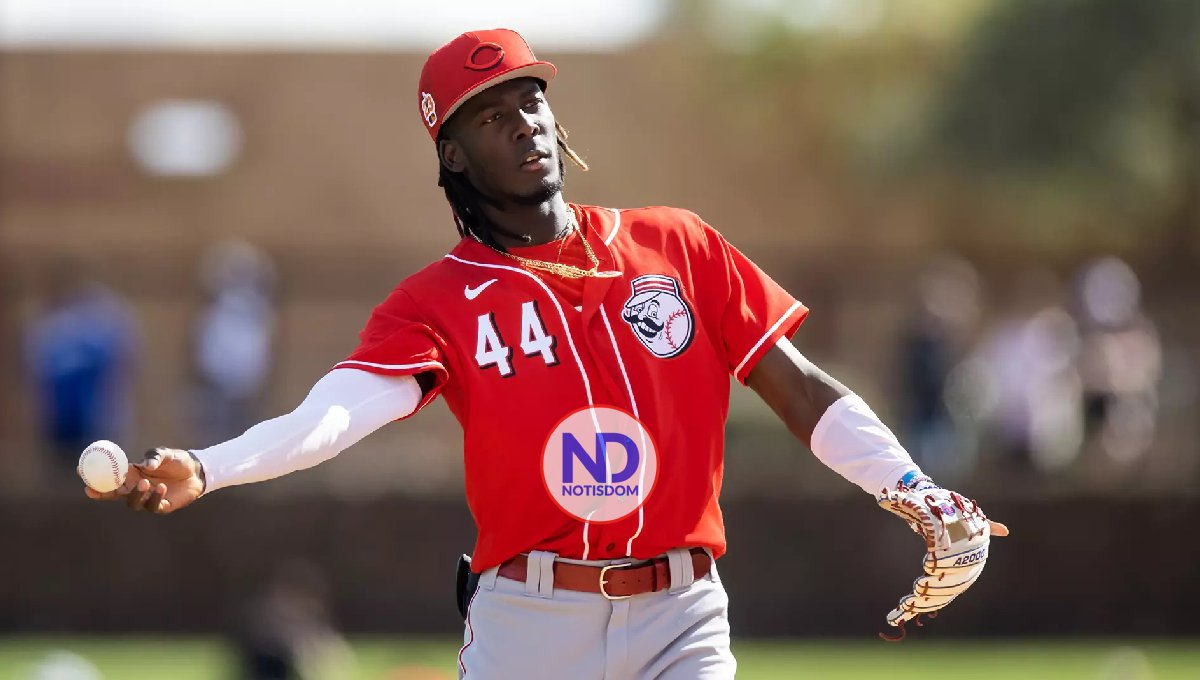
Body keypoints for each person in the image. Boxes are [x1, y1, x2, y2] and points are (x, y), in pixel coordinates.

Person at [86, 29, 1008, 679]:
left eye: (531, 98)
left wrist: (913, 488)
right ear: (451, 155)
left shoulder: (677, 245)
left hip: (680, 612)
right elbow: (332, 417)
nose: (524, 121)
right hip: (530, 622)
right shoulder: (435, 302)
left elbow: (799, 387)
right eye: (490, 115)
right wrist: (210, 466)